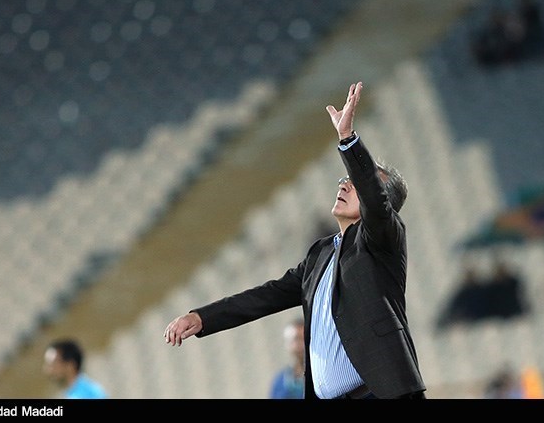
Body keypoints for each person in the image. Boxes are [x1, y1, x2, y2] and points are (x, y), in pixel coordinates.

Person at [164, 81, 427, 400]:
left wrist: (348, 139)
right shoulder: (320, 255)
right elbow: (266, 296)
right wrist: (202, 317)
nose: (344, 185)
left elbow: (375, 199)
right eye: (344, 179)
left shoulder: (383, 239)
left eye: (356, 182)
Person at [42, 338, 108, 399]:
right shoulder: (72, 392)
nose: (48, 370)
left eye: (53, 364)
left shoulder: (89, 393)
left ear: (70, 365)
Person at [269, 318, 306, 399]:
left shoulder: (321, 376)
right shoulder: (280, 382)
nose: (302, 344)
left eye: (305, 338)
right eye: (297, 339)